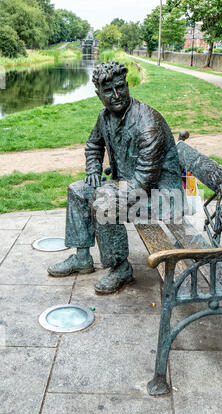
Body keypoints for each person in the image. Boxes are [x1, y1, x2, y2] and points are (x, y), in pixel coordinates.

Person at [48, 60, 184, 294]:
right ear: (98, 94)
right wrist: (93, 170)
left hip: (163, 197)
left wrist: (108, 190)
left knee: (104, 201)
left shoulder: (148, 124)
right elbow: (93, 145)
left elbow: (143, 183)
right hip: (132, 185)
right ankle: (82, 258)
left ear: (127, 85)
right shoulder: (105, 117)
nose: (117, 95)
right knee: (78, 190)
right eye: (108, 91)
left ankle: (120, 268)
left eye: (121, 87)